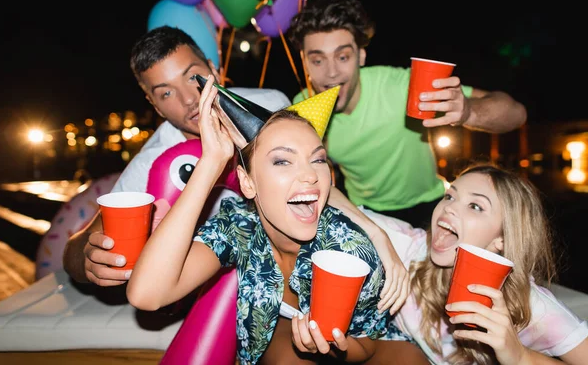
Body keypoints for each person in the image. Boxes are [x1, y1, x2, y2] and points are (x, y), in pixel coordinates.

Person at [126, 76, 429, 365]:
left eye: (318, 159)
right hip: (279, 334)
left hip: (365, 348)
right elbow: (147, 294)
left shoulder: (349, 248)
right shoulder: (238, 226)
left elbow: (367, 344)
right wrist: (211, 162)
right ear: (247, 182)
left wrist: (337, 345)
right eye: (282, 160)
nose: (311, 175)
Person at [62, 26, 291, 286]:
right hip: (207, 291)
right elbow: (75, 248)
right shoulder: (152, 163)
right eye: (166, 93)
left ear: (213, 70)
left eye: (193, 76)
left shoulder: (272, 108)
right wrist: (89, 261)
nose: (188, 100)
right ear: (154, 104)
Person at [286, 0, 528, 229]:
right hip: (365, 214)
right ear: (305, 62)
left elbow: (517, 114)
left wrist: (469, 112)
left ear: (361, 55)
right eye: (318, 60)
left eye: (343, 57)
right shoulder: (304, 108)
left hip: (428, 207)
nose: (331, 73)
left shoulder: (400, 87)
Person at [353, 164, 588, 364]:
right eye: (449, 196)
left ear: (502, 238)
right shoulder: (410, 248)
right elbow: (327, 195)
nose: (449, 207)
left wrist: (521, 357)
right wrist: (375, 234)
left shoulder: (532, 306)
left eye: (475, 206)